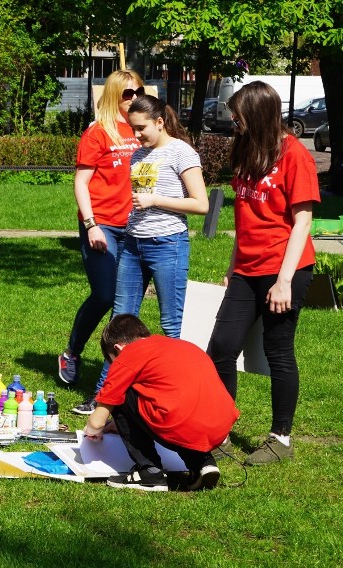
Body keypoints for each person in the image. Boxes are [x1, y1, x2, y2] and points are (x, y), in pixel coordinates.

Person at [72, 95, 209, 417]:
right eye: (133, 129)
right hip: (133, 245)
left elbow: (200, 204)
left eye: (142, 128)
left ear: (160, 122)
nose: (137, 136)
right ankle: (106, 397)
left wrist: (155, 199)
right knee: (120, 324)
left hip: (167, 244)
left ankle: (176, 397)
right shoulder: (138, 154)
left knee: (170, 325)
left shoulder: (181, 152)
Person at [206, 82, 319, 465]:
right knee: (220, 348)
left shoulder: (295, 155)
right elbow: (244, 217)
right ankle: (218, 428)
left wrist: (284, 280)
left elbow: (302, 221)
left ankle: (280, 438)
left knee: (278, 351)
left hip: (285, 268)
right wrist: (232, 266)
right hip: (246, 268)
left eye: (239, 116)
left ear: (259, 114)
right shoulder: (246, 148)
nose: (234, 122)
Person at [60, 70, 144, 416]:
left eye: (138, 90)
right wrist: (91, 224)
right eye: (127, 93)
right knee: (105, 294)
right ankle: (72, 352)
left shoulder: (144, 131)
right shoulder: (98, 132)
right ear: (113, 96)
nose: (134, 97)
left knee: (125, 308)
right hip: (103, 225)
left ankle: (116, 381)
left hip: (137, 226)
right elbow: (81, 183)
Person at [84, 315, 239, 492]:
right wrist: (121, 424)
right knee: (185, 413)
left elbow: (97, 421)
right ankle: (203, 463)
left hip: (179, 422)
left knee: (121, 392)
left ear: (118, 349)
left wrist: (92, 430)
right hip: (219, 426)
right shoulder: (179, 345)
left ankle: (150, 472)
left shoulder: (130, 353)